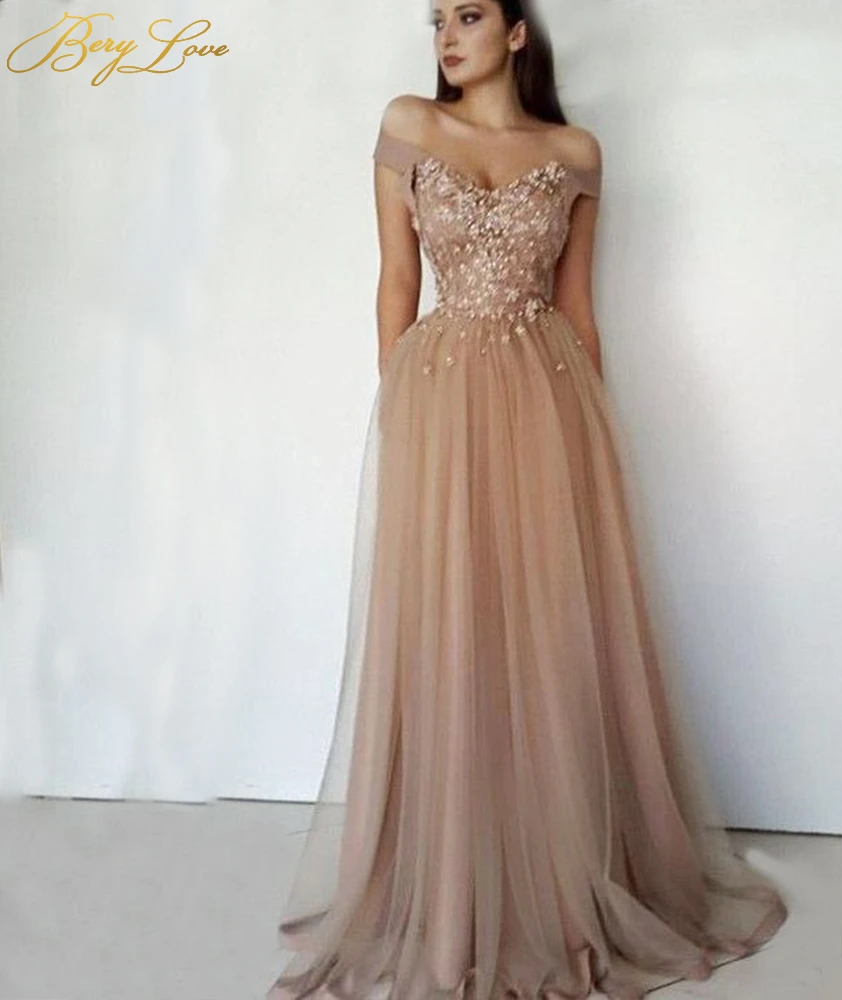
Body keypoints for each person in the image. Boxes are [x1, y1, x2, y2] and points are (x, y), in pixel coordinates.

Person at [269, 1, 788, 997]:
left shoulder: (574, 152)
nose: (445, 36)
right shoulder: (409, 124)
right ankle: (453, 876)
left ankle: (557, 869)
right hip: (443, 399)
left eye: (468, 15)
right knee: (451, 621)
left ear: (515, 33)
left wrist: (598, 438)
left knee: (547, 625)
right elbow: (394, 281)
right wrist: (401, 409)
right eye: (436, 20)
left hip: (548, 402)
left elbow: (578, 306)